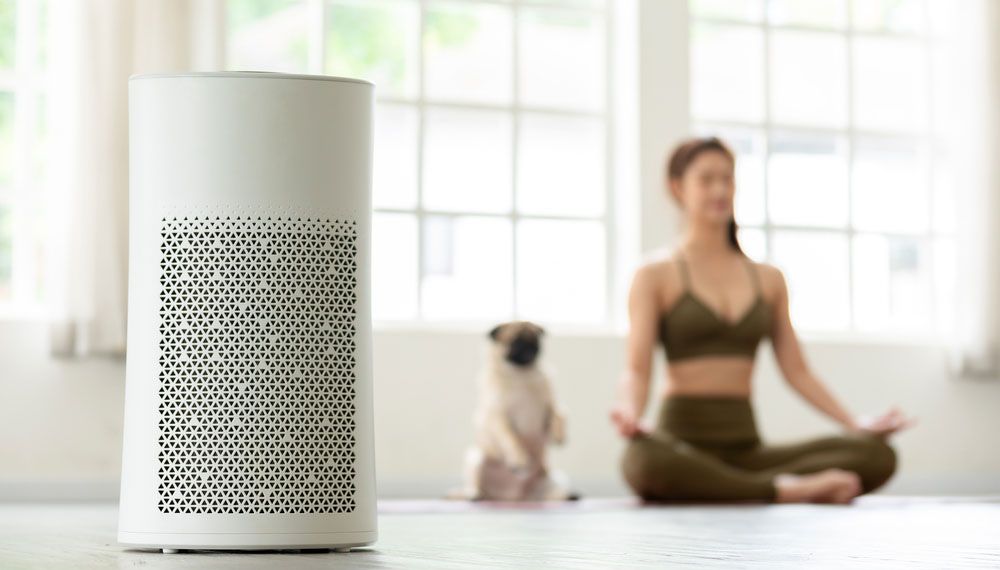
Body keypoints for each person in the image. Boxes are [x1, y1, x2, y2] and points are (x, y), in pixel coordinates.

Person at [611, 136, 916, 503]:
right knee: (643, 462)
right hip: (681, 444)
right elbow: (637, 370)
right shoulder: (654, 275)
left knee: (876, 454)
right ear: (678, 188)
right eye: (707, 179)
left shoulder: (768, 279)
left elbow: (797, 371)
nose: (720, 189)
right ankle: (784, 490)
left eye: (728, 178)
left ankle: (741, 486)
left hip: (748, 450)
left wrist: (855, 424)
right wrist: (630, 413)